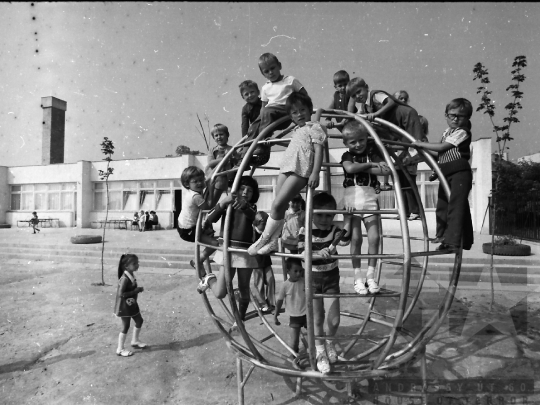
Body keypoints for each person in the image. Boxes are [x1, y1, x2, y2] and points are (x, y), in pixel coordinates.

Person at [248, 92, 326, 256]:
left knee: (277, 205)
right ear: (291, 116)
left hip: (301, 169)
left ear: (310, 110)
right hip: (287, 167)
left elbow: (319, 150)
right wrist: (274, 141)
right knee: (279, 204)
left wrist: (315, 173)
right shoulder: (298, 129)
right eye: (295, 112)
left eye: (303, 110)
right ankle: (273, 242)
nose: (300, 114)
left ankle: (264, 238)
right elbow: (294, 145)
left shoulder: (315, 127)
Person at [412, 98, 474, 251]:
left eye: (460, 116)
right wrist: (423, 151)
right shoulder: (447, 132)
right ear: (446, 115)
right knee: (442, 206)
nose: (455, 119)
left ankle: (453, 241)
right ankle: (443, 235)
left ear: (467, 118)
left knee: (456, 207)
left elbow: (442, 148)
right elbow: (439, 155)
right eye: (451, 115)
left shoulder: (462, 132)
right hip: (446, 173)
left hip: (459, 173)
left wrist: (421, 144)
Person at [199, 176, 260, 327]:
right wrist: (223, 203)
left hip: (245, 253)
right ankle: (209, 279)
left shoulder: (252, 207)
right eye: (242, 189)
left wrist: (245, 206)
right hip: (228, 251)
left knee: (245, 288)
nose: (245, 192)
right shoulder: (228, 205)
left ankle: (239, 319)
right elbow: (210, 218)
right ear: (235, 190)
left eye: (250, 190)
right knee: (220, 292)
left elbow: (256, 220)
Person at [340, 121, 391, 295]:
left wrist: (370, 166)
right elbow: (350, 168)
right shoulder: (347, 155)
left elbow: (385, 171)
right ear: (346, 144)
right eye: (353, 142)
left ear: (366, 138)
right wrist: (370, 167)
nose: (358, 144)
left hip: (369, 199)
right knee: (356, 239)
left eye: (361, 140)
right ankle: (357, 277)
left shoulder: (372, 154)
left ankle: (371, 276)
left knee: (375, 237)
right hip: (353, 199)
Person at [347, 78, 423, 192]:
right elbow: (357, 116)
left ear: (366, 87)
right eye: (354, 96)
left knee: (416, 141)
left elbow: (391, 102)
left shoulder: (375, 95)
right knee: (402, 142)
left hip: (405, 116)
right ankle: (405, 156)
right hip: (397, 124)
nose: (357, 96)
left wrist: (376, 114)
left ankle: (420, 155)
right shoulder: (364, 106)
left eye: (359, 92)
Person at [298, 192, 344, 374]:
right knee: (317, 318)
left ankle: (330, 343)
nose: (325, 219)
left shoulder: (334, 230)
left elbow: (346, 239)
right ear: (311, 213)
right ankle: (320, 353)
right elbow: (302, 253)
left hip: (331, 278)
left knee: (334, 319)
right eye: (320, 214)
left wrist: (347, 217)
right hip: (312, 280)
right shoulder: (305, 231)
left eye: (329, 215)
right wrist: (317, 254)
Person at [245, 53, 308, 142]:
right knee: (255, 124)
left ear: (279, 66)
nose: (270, 72)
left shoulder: (290, 80)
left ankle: (262, 142)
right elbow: (263, 106)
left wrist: (304, 110)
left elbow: (305, 96)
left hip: (286, 111)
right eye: (266, 71)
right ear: (263, 74)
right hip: (271, 115)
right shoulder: (265, 88)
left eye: (272, 68)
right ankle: (247, 147)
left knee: (266, 112)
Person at [177, 166, 218, 279]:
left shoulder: (193, 192)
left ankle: (201, 267)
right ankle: (198, 261)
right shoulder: (196, 196)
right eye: (195, 181)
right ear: (187, 184)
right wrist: (211, 188)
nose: (199, 183)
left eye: (201, 180)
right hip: (188, 230)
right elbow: (208, 208)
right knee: (215, 243)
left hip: (185, 226)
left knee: (210, 235)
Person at [113, 254, 147, 357]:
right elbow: (121, 294)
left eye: (138, 263)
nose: (137, 265)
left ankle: (135, 340)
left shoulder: (131, 274)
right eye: (134, 263)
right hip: (124, 306)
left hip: (131, 304)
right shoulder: (125, 278)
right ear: (126, 266)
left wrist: (136, 290)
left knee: (139, 320)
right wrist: (135, 291)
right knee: (126, 326)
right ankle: (120, 348)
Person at [274, 257, 306, 356]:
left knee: (312, 336)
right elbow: (279, 301)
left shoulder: (304, 281)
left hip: (306, 314)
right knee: (294, 340)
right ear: (288, 271)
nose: (298, 273)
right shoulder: (285, 285)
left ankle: (313, 354)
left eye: (300, 271)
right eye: (295, 271)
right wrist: (276, 314)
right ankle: (294, 356)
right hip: (294, 316)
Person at [401, 115, 430, 220]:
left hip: (410, 167)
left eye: (420, 127)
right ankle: (405, 211)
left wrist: (411, 160)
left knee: (410, 189)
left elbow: (423, 155)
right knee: (402, 189)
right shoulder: (408, 137)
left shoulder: (422, 139)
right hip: (402, 166)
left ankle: (415, 210)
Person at [205, 124, 240, 208]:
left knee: (213, 200)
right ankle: (211, 208)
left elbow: (237, 161)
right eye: (216, 135)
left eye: (221, 134)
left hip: (224, 177)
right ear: (213, 138)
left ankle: (214, 208)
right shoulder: (213, 150)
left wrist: (233, 159)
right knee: (208, 199)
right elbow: (210, 163)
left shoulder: (232, 149)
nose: (219, 137)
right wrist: (224, 159)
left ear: (227, 135)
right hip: (213, 177)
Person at [252, 211, 276, 313]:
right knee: (259, 283)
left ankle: (271, 303)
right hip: (256, 260)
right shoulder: (252, 231)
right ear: (257, 223)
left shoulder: (267, 232)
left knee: (270, 279)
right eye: (263, 224)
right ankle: (261, 304)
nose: (265, 226)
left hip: (266, 259)